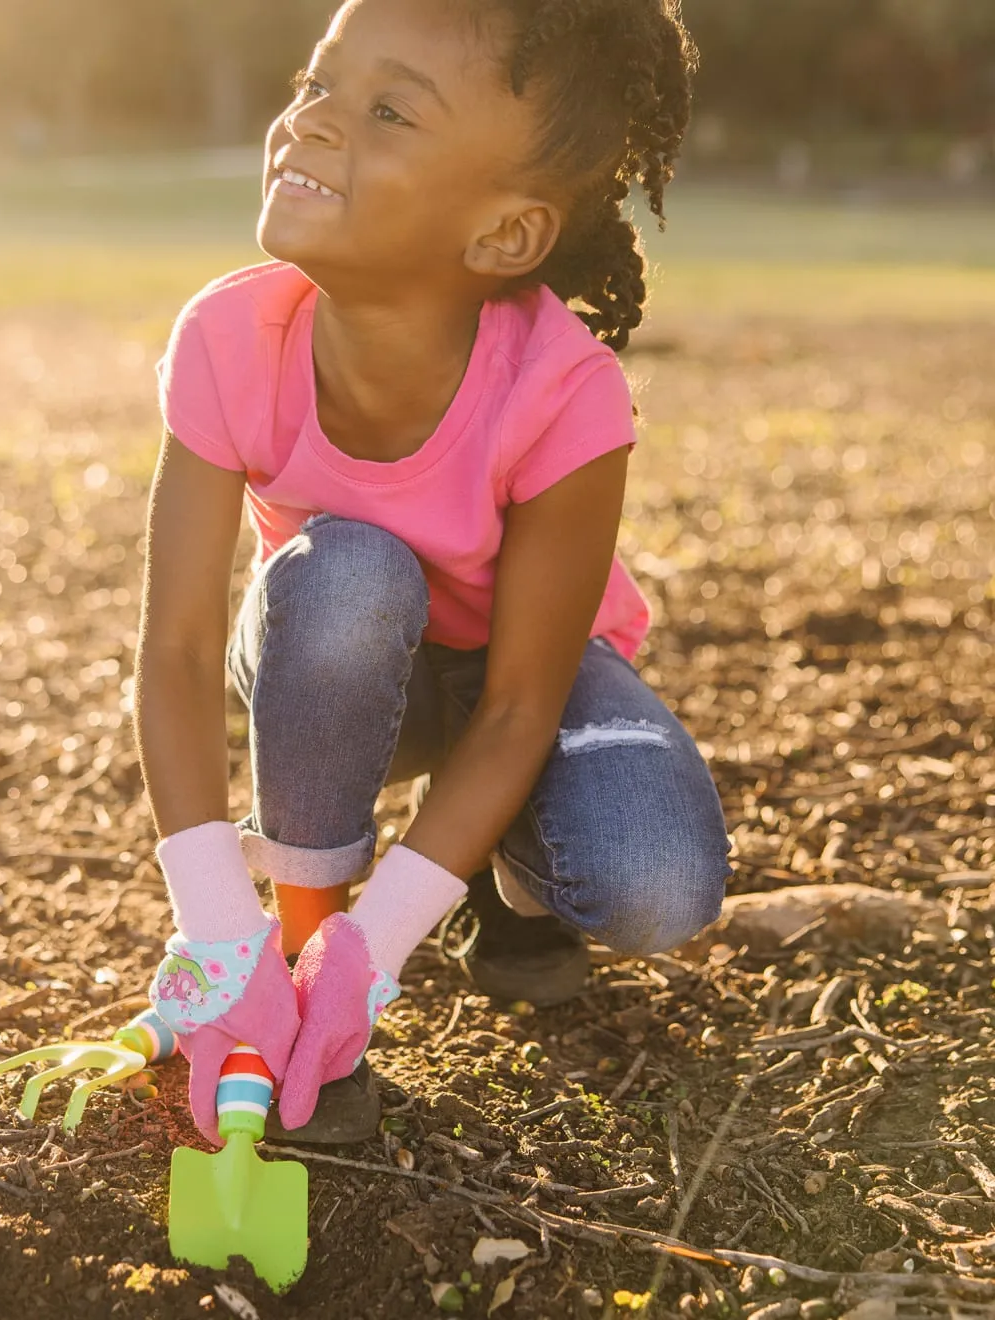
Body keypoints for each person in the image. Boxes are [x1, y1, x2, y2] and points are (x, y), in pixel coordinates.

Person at [135, 0, 733, 1148]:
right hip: (345, 666)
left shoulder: (565, 392)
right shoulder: (229, 337)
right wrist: (221, 938)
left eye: (388, 110)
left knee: (658, 879)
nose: (311, 123)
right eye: (318, 84)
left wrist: (383, 950)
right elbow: (174, 650)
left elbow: (518, 705)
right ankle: (301, 952)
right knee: (352, 571)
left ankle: (504, 898)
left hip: (522, 688)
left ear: (504, 235)